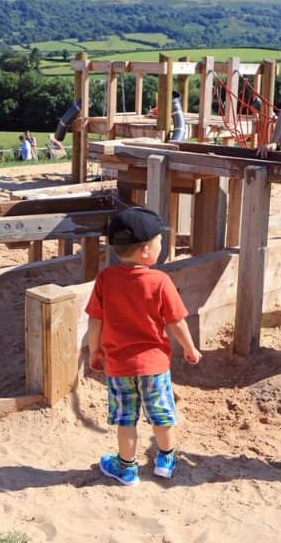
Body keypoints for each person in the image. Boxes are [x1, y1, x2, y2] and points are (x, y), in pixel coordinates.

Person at [85, 207, 202, 486]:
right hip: (154, 365)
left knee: (126, 419)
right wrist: (190, 348)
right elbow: (176, 321)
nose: (161, 247)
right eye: (160, 242)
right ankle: (165, 459)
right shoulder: (159, 280)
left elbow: (95, 321)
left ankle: (126, 469)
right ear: (147, 251)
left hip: (118, 365)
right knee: (161, 414)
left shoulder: (106, 279)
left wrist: (95, 351)